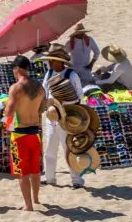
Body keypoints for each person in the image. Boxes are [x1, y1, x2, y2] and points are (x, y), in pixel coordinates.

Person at [40, 43, 84, 188]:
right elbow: (45, 93)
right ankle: (50, 178)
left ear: (60, 61)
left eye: (52, 60)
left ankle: (76, 180)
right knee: (50, 150)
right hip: (52, 117)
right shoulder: (48, 74)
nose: (50, 62)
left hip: (67, 117)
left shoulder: (72, 75)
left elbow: (79, 97)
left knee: (68, 149)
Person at [4, 55, 45, 211]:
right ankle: (36, 199)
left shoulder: (16, 88)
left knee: (22, 171)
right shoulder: (40, 87)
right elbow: (41, 108)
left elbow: (9, 112)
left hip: (19, 134)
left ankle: (28, 205)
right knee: (35, 169)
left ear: (17, 69)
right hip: (35, 133)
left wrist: (4, 105)